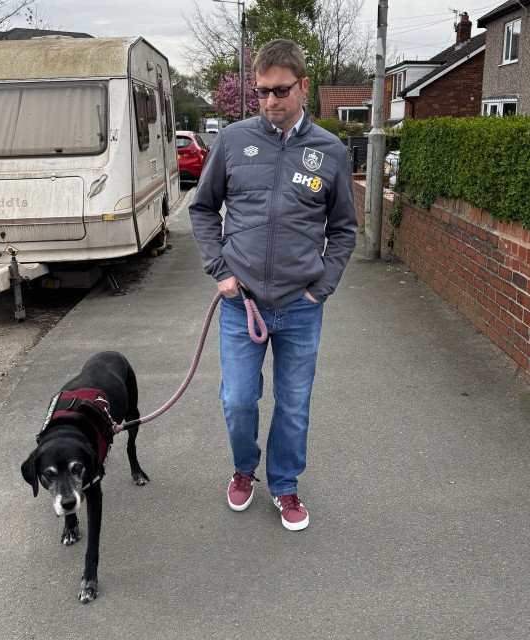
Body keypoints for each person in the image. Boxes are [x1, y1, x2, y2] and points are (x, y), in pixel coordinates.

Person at [188, 39, 357, 531]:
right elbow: (202, 209)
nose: (269, 101)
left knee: (294, 404)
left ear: (304, 87)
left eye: (280, 90)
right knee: (237, 399)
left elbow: (344, 228)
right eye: (261, 92)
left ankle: (285, 486)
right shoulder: (234, 141)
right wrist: (220, 271)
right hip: (242, 305)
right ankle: (245, 469)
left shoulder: (330, 152)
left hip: (301, 306)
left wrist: (320, 287)